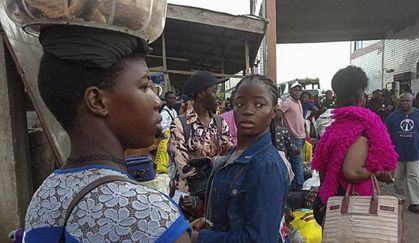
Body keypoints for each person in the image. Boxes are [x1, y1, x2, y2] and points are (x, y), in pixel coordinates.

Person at [24, 26, 191, 242]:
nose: (157, 101)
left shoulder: (43, 198)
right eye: (144, 87)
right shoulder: (152, 217)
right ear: (97, 101)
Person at [191, 74, 289, 243]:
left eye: (259, 105)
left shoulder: (265, 164)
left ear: (273, 112)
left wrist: (200, 238)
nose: (248, 111)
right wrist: (210, 226)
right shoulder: (236, 154)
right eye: (240, 104)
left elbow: (259, 240)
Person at [311, 66, 398, 226]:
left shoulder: (335, 127)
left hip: (331, 201)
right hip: (351, 209)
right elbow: (352, 172)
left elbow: (324, 169)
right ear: (362, 99)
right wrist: (378, 172)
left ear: (337, 99)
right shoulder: (362, 127)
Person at [169, 71, 233, 218]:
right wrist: (216, 168)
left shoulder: (219, 122)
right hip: (189, 199)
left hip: (215, 194)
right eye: (214, 91)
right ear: (202, 94)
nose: (218, 96)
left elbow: (229, 152)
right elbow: (184, 167)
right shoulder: (180, 123)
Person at [386, 92, 419, 214]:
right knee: (398, 177)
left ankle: (415, 203)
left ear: (412, 101)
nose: (405, 103)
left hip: (414, 153)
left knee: (414, 178)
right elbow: (386, 135)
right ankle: (399, 198)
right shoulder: (392, 117)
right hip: (397, 153)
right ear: (399, 102)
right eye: (403, 101)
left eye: (407, 101)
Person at [280, 81, 306, 190]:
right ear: (291, 91)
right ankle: (300, 186)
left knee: (297, 162)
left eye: (299, 90)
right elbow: (278, 113)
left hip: (301, 136)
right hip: (294, 137)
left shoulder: (298, 102)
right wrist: (282, 128)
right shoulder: (287, 102)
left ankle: (296, 183)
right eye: (295, 90)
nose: (298, 92)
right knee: (298, 163)